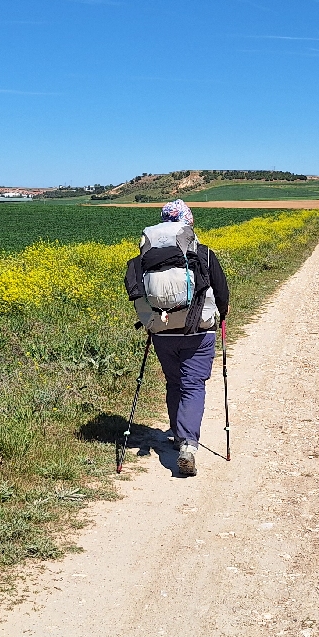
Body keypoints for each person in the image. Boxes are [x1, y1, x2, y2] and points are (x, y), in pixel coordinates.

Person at [124, 199, 228, 477]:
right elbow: (221, 290)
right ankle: (188, 445)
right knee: (193, 385)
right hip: (197, 329)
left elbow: (134, 290)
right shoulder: (203, 254)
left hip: (162, 330)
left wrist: (152, 319)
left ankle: (178, 435)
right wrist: (223, 315)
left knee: (174, 382)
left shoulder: (145, 258)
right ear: (188, 224)